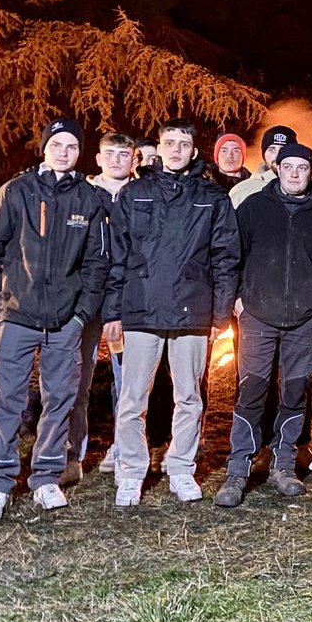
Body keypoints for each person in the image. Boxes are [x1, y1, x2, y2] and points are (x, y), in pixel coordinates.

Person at [0, 118, 109, 523]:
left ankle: (47, 476)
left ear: (79, 152)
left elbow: (97, 264)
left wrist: (80, 315)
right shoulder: (16, 192)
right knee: (7, 401)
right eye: (57, 144)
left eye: (71, 146)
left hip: (65, 322)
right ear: (44, 148)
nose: (64, 152)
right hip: (17, 316)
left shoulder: (89, 199)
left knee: (59, 400)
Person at [103, 119, 240, 507]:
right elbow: (118, 257)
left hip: (192, 310)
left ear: (194, 152)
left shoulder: (212, 198)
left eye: (184, 143)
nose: (176, 150)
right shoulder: (134, 194)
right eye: (169, 143)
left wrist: (220, 316)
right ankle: (131, 472)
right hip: (142, 309)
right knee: (132, 399)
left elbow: (226, 259)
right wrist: (114, 311)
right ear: (158, 149)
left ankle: (181, 467)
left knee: (190, 397)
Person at [215, 143, 312, 506]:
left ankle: (283, 465)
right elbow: (232, 257)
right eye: (287, 166)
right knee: (251, 392)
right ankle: (238, 469)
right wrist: (239, 303)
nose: (293, 173)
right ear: (277, 169)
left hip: (305, 320)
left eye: (301, 167)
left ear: (311, 171)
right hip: (257, 316)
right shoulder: (254, 207)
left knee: (294, 393)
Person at [65, 131, 136, 482]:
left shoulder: (140, 195)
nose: (116, 160)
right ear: (98, 158)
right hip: (86, 300)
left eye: (124, 154)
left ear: (134, 159)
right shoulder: (81, 194)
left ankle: (123, 451)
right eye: (110, 153)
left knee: (128, 383)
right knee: (76, 379)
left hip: (126, 300)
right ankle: (72, 455)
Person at [229, 124, 298, 209]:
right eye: (271, 150)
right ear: (264, 155)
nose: (277, 155)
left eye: (283, 149)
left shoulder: (311, 189)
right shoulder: (242, 191)